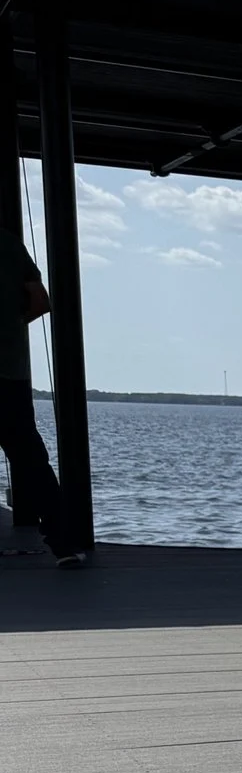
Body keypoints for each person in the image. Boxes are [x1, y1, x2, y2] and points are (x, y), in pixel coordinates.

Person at [0, 238, 80, 566]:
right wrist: (12, 325)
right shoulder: (8, 245)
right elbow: (41, 300)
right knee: (31, 461)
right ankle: (64, 545)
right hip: (9, 371)